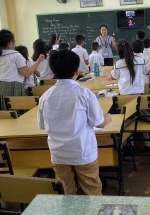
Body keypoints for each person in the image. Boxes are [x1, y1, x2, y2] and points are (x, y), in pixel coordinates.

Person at [38, 49, 111, 195]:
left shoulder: (45, 97)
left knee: (66, 193)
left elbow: (42, 125)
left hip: (59, 154)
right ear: (77, 71)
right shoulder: (84, 93)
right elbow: (99, 123)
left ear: (53, 71)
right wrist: (107, 118)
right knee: (92, 190)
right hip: (82, 152)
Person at [0, 29, 44, 110]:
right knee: (16, 114)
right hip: (13, 88)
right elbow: (27, 73)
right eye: (14, 40)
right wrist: (38, 61)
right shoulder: (15, 55)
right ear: (10, 42)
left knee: (3, 116)